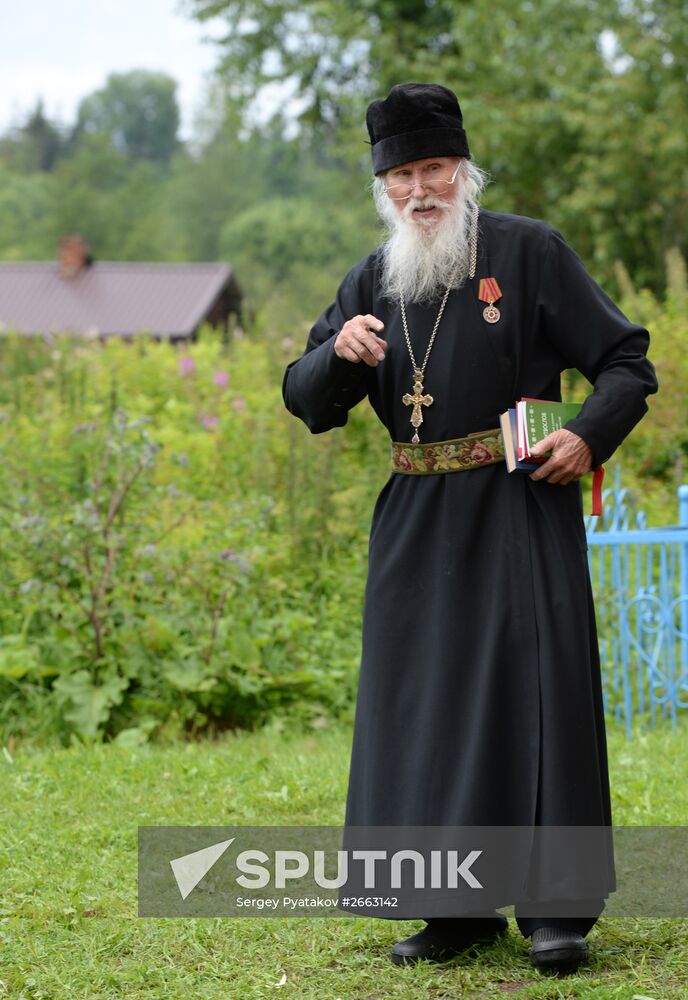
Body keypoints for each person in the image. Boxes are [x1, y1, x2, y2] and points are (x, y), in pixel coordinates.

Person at [282, 82, 658, 973]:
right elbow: (305, 400)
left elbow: (625, 361)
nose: (421, 189)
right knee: (427, 708)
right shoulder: (373, 280)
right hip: (415, 519)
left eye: (435, 168)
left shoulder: (528, 254)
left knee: (537, 695)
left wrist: (584, 433)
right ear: (384, 185)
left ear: (463, 170)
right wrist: (337, 355)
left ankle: (556, 910)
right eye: (403, 173)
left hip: (519, 503)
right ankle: (449, 906)